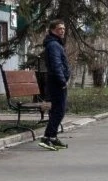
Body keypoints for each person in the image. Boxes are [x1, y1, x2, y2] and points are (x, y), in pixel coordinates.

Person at [38, 19, 70, 151]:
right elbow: (56, 65)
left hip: (55, 81)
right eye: (59, 29)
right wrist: (62, 81)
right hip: (57, 82)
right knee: (59, 111)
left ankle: (52, 138)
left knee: (57, 111)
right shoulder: (53, 45)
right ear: (52, 30)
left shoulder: (55, 44)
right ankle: (47, 137)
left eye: (63, 28)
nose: (62, 31)